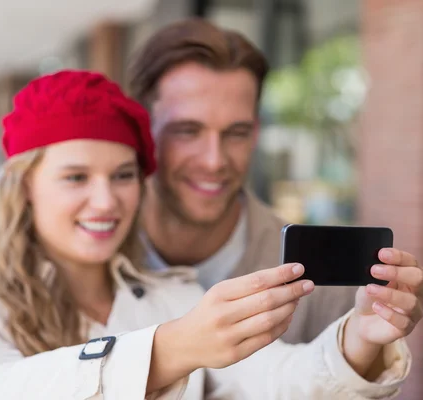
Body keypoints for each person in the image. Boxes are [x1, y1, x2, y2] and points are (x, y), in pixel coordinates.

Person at [0, 70, 423, 399]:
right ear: (24, 189)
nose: (105, 200)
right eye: (76, 177)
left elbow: (275, 380)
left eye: (122, 175)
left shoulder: (177, 298)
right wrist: (173, 350)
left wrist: (360, 339)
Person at [126, 18, 398, 343]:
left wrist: (369, 353)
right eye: (187, 131)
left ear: (255, 132)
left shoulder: (318, 283)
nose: (214, 160)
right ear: (141, 130)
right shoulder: (86, 260)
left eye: (236, 133)